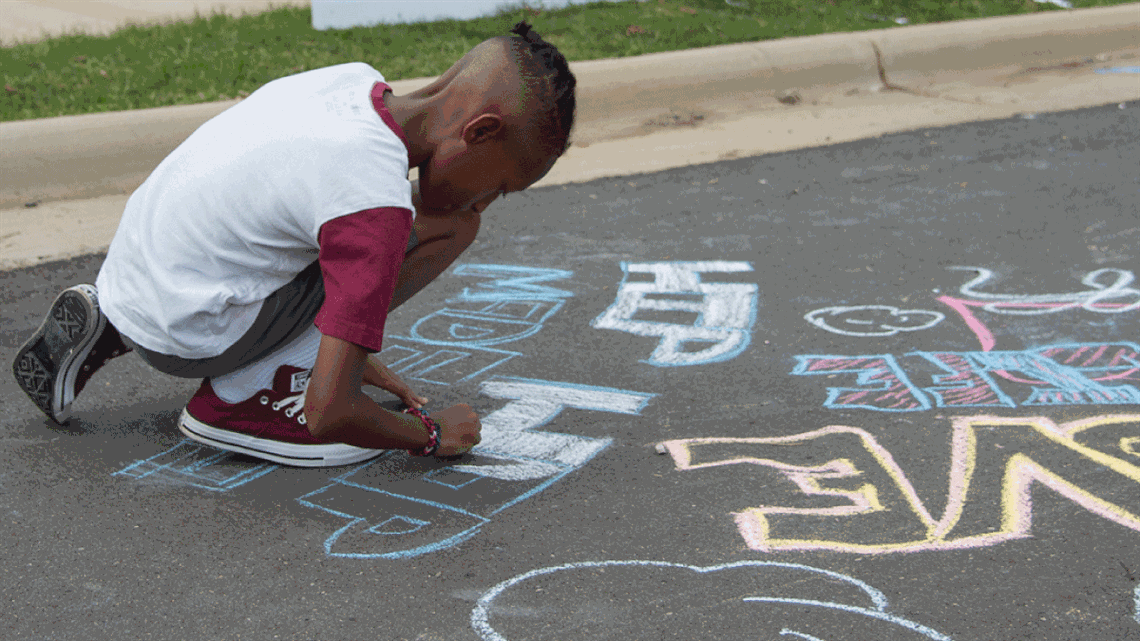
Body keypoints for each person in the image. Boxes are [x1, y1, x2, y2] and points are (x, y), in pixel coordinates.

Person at [12, 21, 576, 467]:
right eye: (499, 185)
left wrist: (354, 350)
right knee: (451, 226)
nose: (486, 201)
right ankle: (238, 399)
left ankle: (112, 321)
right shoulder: (372, 201)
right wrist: (430, 434)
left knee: (289, 240)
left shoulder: (346, 83)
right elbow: (332, 412)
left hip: (137, 275)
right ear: (479, 131)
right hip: (195, 328)